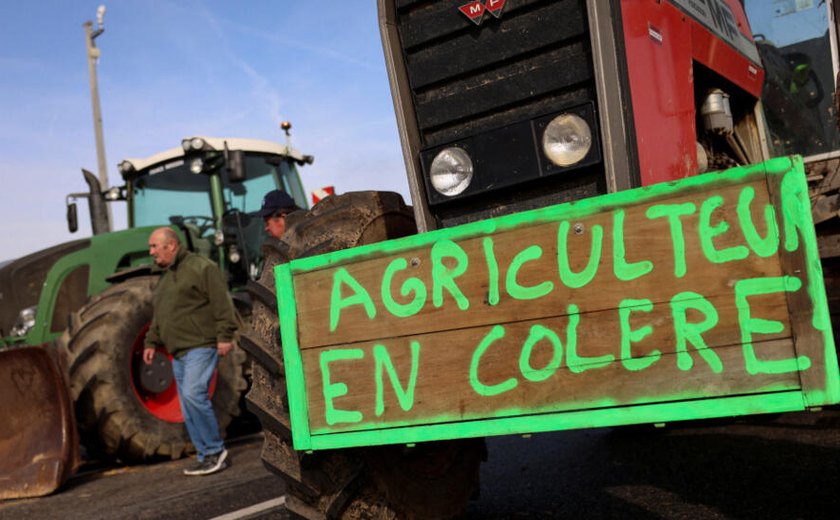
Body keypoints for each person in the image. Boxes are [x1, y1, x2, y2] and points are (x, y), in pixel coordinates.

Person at [143, 227, 238, 476]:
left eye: (154, 246)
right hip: (179, 351)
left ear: (171, 245)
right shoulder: (165, 280)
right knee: (187, 405)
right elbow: (160, 316)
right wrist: (151, 342)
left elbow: (222, 303)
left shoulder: (201, 267)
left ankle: (217, 451)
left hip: (201, 345)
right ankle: (205, 454)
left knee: (194, 395)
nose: (151, 252)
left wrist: (225, 336)